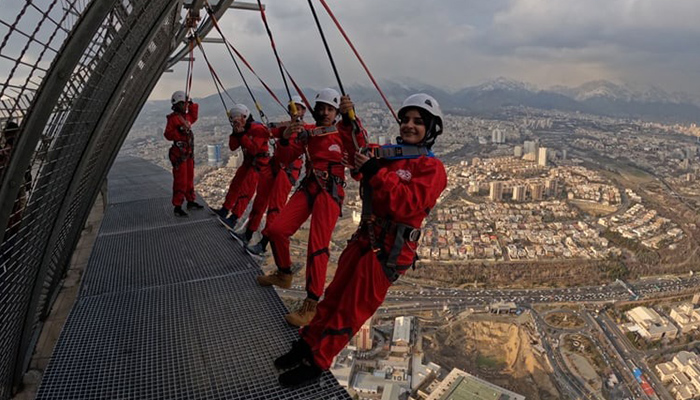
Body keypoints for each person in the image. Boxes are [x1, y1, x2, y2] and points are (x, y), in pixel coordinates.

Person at [273, 94, 448, 388]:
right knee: (334, 296)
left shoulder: (431, 168)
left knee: (351, 309)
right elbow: (356, 152)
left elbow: (408, 204)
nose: (409, 125)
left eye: (418, 122)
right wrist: (348, 121)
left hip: (390, 250)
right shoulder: (389, 154)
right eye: (405, 120)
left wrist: (376, 174)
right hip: (366, 237)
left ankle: (318, 361)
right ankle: (306, 345)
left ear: (431, 129)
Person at [257, 88, 367, 327]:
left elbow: (360, 150)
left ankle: (312, 302)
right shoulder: (308, 133)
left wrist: (352, 119)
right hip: (310, 186)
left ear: (337, 113)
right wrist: (286, 137)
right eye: (322, 108)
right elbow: (286, 157)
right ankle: (284, 273)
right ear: (315, 110)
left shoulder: (342, 132)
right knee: (276, 230)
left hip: (330, 191)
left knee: (317, 246)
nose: (326, 112)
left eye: (331, 109)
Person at [245, 96, 309, 256]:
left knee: (275, 207)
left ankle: (264, 243)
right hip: (276, 165)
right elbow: (267, 131)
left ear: (304, 111)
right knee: (260, 200)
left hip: (288, 170)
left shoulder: (306, 130)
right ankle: (248, 234)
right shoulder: (286, 127)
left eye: (299, 109)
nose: (296, 112)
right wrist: (250, 124)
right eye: (294, 109)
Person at [213, 104, 270, 230]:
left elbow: (254, 149)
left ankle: (234, 218)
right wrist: (236, 133)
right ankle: (225, 209)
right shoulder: (242, 129)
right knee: (236, 184)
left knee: (246, 189)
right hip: (248, 161)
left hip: (258, 163)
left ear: (245, 116)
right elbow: (233, 147)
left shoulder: (258, 129)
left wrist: (242, 134)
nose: (237, 122)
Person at [164, 90, 203, 217]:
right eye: (183, 104)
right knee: (181, 180)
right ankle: (178, 205)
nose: (185, 106)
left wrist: (191, 102)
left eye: (185, 104)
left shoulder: (186, 118)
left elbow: (194, 115)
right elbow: (168, 134)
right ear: (177, 104)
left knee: (189, 178)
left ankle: (190, 200)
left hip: (187, 154)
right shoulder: (174, 119)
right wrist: (179, 130)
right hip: (180, 154)